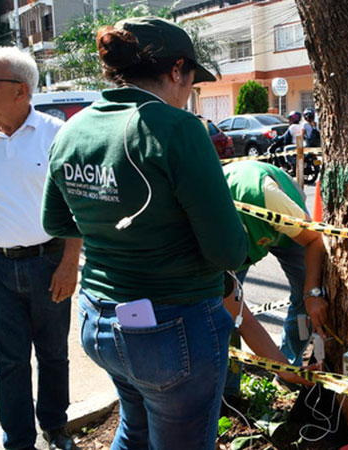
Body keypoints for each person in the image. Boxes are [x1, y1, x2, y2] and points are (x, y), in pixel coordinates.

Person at [41, 17, 248, 450]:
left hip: (100, 320)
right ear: (176, 71)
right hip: (172, 328)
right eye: (191, 82)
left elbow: (55, 222)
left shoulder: (72, 130)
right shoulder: (177, 128)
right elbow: (228, 250)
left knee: (134, 429)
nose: (189, 93)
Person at [0, 47, 82, 450]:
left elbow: (74, 203)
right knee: (9, 361)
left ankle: (55, 427)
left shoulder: (55, 135)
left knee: (54, 353)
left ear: (21, 90)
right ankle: (19, 441)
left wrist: (69, 263)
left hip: (48, 264)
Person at [224, 160, 328, 366]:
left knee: (304, 300)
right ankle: (230, 386)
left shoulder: (267, 199)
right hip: (235, 242)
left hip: (285, 224)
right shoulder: (203, 241)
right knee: (225, 315)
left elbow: (314, 238)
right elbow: (242, 318)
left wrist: (312, 293)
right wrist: (281, 368)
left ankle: (292, 358)